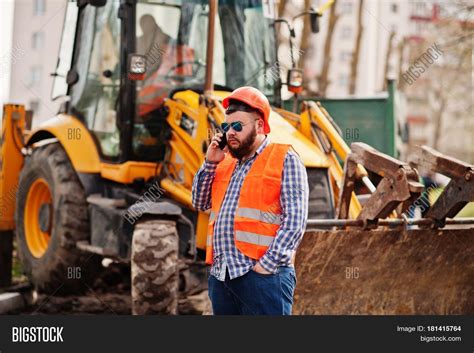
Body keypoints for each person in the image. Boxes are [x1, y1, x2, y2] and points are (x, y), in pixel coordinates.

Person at [192, 86, 309, 315]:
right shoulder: (223, 162)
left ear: (258, 125)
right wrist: (210, 163)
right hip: (222, 277)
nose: (230, 132)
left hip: (262, 278)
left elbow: (295, 220)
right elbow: (199, 202)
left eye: (238, 126)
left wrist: (266, 266)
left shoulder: (285, 159)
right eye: (226, 127)